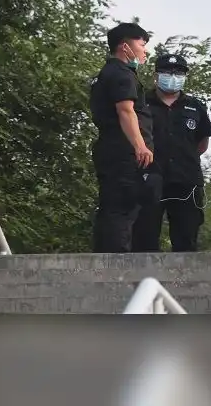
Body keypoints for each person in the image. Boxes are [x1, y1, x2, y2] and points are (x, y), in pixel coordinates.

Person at [88, 22, 158, 253]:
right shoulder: (121, 74)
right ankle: (115, 263)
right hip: (122, 151)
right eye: (142, 44)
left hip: (109, 148)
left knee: (111, 206)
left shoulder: (105, 74)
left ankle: (104, 258)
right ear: (124, 46)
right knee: (123, 207)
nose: (145, 50)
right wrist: (140, 145)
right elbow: (126, 111)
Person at [134, 53, 211, 252]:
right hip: (148, 176)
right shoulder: (141, 103)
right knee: (144, 236)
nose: (172, 76)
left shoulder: (195, 106)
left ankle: (184, 283)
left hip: (186, 178)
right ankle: (143, 281)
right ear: (156, 75)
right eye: (167, 72)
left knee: (187, 237)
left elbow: (202, 143)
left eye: (178, 72)